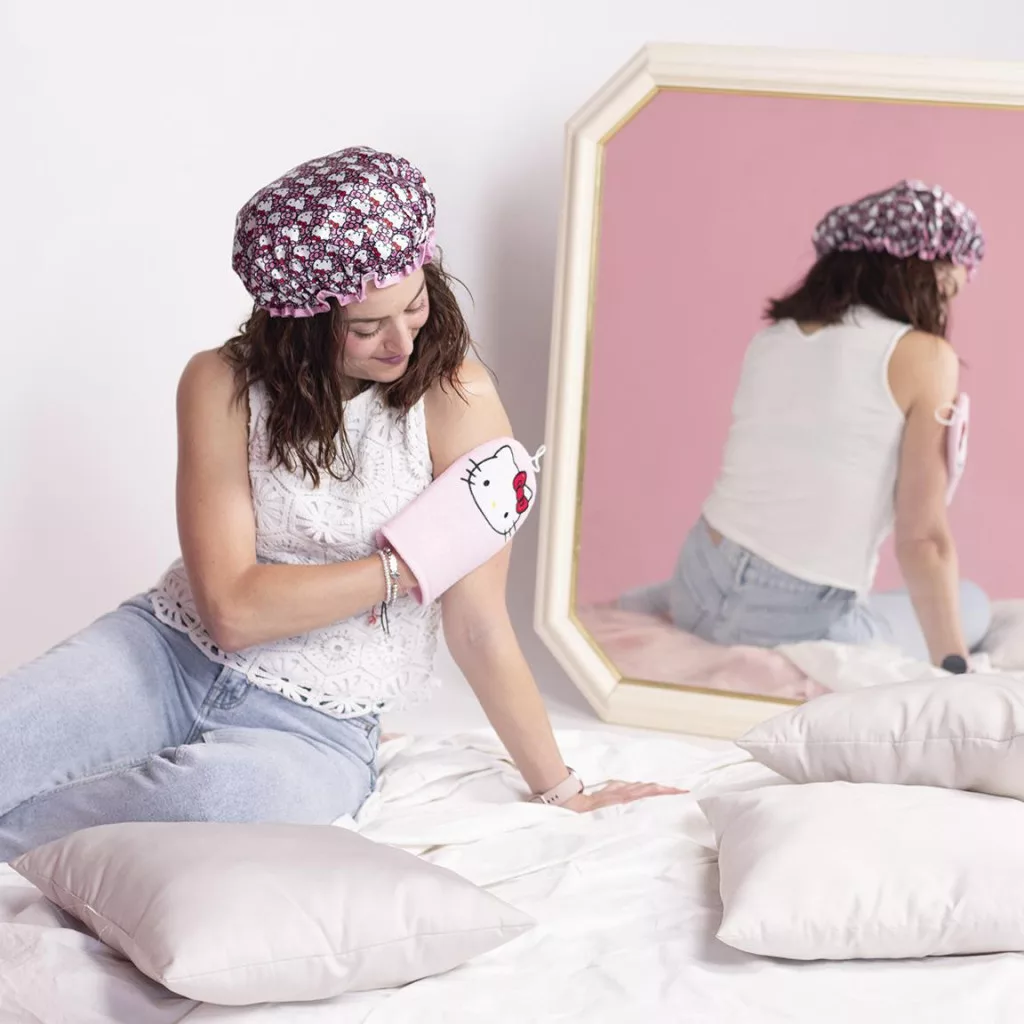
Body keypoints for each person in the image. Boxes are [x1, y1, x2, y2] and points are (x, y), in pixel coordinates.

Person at [0, 146, 680, 861]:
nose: (401, 341)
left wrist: (563, 790)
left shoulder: (456, 400)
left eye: (414, 305)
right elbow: (232, 612)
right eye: (365, 327)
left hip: (318, 729)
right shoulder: (218, 383)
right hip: (169, 652)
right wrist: (409, 565)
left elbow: (478, 625)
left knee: (207, 808)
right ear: (300, 324)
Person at [622, 180, 992, 669]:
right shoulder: (924, 357)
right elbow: (922, 540)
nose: (946, 307)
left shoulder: (773, 339)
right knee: (973, 603)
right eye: (950, 288)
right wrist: (955, 668)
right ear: (924, 269)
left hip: (698, 580)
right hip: (795, 619)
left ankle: (660, 602)